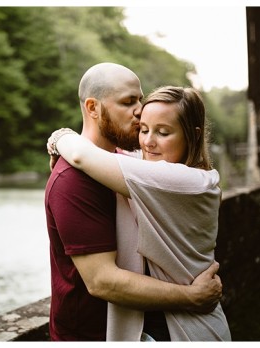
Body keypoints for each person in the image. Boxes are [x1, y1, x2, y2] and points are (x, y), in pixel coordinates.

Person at [44, 63, 222, 341]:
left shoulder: (169, 176)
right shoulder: (78, 178)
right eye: (129, 102)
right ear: (92, 108)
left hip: (176, 329)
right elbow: (102, 281)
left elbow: (82, 154)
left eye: (140, 99)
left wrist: (60, 138)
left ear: (193, 135)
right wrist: (191, 295)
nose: (140, 110)